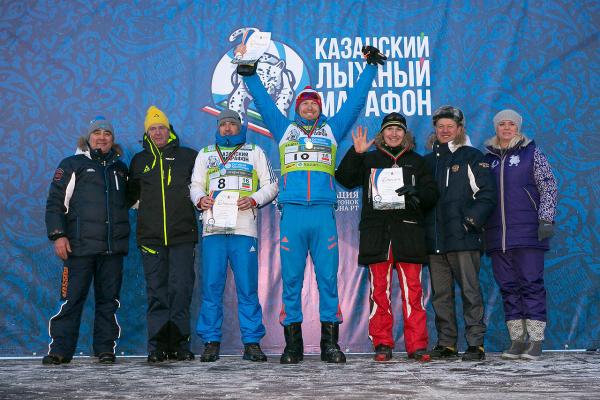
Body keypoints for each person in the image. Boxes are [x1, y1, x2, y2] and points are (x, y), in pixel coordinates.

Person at [237, 45, 386, 364]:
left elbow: (355, 102)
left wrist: (371, 68)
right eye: (304, 104)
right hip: (291, 214)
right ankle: (293, 345)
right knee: (291, 279)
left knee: (328, 279)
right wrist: (249, 73)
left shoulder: (333, 129)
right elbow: (263, 102)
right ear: (297, 108)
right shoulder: (284, 129)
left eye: (313, 105)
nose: (308, 108)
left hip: (322, 215)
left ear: (319, 109)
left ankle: (330, 344)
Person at [335, 113, 438, 362]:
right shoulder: (370, 159)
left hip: (409, 234)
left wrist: (418, 193)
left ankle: (417, 345)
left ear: (406, 134)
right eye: (389, 129)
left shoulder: (417, 161)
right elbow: (344, 179)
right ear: (382, 133)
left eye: (399, 130)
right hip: (377, 236)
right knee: (379, 292)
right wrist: (356, 154)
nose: (394, 134)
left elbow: (432, 194)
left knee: (413, 292)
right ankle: (382, 343)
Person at [190, 108, 278, 362]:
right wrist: (200, 199)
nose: (228, 128)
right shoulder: (206, 154)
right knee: (211, 287)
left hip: (243, 230)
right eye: (223, 124)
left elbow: (271, 184)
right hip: (213, 229)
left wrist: (253, 199)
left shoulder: (254, 152)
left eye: (232, 124)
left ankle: (251, 342)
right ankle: (210, 341)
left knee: (248, 288)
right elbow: (195, 184)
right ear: (218, 128)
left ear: (241, 127)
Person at [44, 117, 129, 365]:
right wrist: (58, 235)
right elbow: (55, 203)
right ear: (88, 138)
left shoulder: (120, 169)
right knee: (71, 300)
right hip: (78, 249)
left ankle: (105, 349)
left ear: (113, 139)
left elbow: (133, 202)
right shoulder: (72, 164)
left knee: (108, 302)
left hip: (111, 250)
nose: (102, 138)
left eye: (107, 134)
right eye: (97, 133)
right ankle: (60, 350)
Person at [423, 105, 497, 361]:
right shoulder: (427, 160)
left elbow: (487, 194)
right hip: (435, 240)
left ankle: (476, 344)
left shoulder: (472, 156)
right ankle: (447, 343)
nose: (444, 130)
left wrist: (471, 222)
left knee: (470, 291)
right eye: (440, 126)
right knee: (441, 295)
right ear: (435, 129)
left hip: (463, 238)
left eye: (449, 126)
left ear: (459, 129)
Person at [484, 109, 557, 360]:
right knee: (508, 287)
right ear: (496, 128)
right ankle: (516, 340)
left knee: (531, 284)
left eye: (511, 125)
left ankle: (535, 341)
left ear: (518, 128)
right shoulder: (487, 159)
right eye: (502, 124)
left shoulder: (531, 153)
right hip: (497, 236)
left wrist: (546, 217)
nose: (506, 128)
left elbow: (548, 184)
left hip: (528, 233)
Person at [128, 106, 198, 362]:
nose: (158, 132)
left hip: (182, 236)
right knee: (156, 291)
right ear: (147, 132)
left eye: (162, 128)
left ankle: (180, 345)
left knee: (180, 290)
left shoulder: (188, 156)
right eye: (153, 128)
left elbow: (200, 189)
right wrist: (146, 210)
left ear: (169, 131)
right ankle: (157, 346)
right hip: (151, 238)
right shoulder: (139, 160)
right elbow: (130, 195)